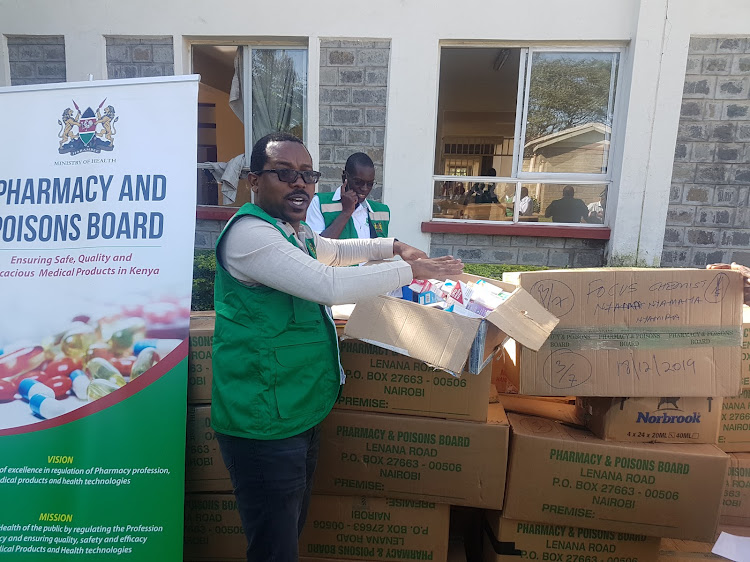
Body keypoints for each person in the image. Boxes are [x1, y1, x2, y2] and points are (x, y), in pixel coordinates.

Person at [211, 132, 463, 562]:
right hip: (263, 422)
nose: (300, 184)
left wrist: (395, 245)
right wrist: (410, 269)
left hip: (296, 410)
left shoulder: (293, 231)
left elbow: (335, 251)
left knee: (290, 529)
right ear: (254, 180)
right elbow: (326, 283)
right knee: (274, 547)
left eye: (307, 175)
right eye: (285, 173)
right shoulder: (251, 235)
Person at [305, 152, 389, 239]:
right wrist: (346, 212)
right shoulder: (319, 203)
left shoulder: (382, 211)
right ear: (344, 178)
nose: (364, 188)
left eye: (370, 184)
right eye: (358, 182)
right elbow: (316, 248)